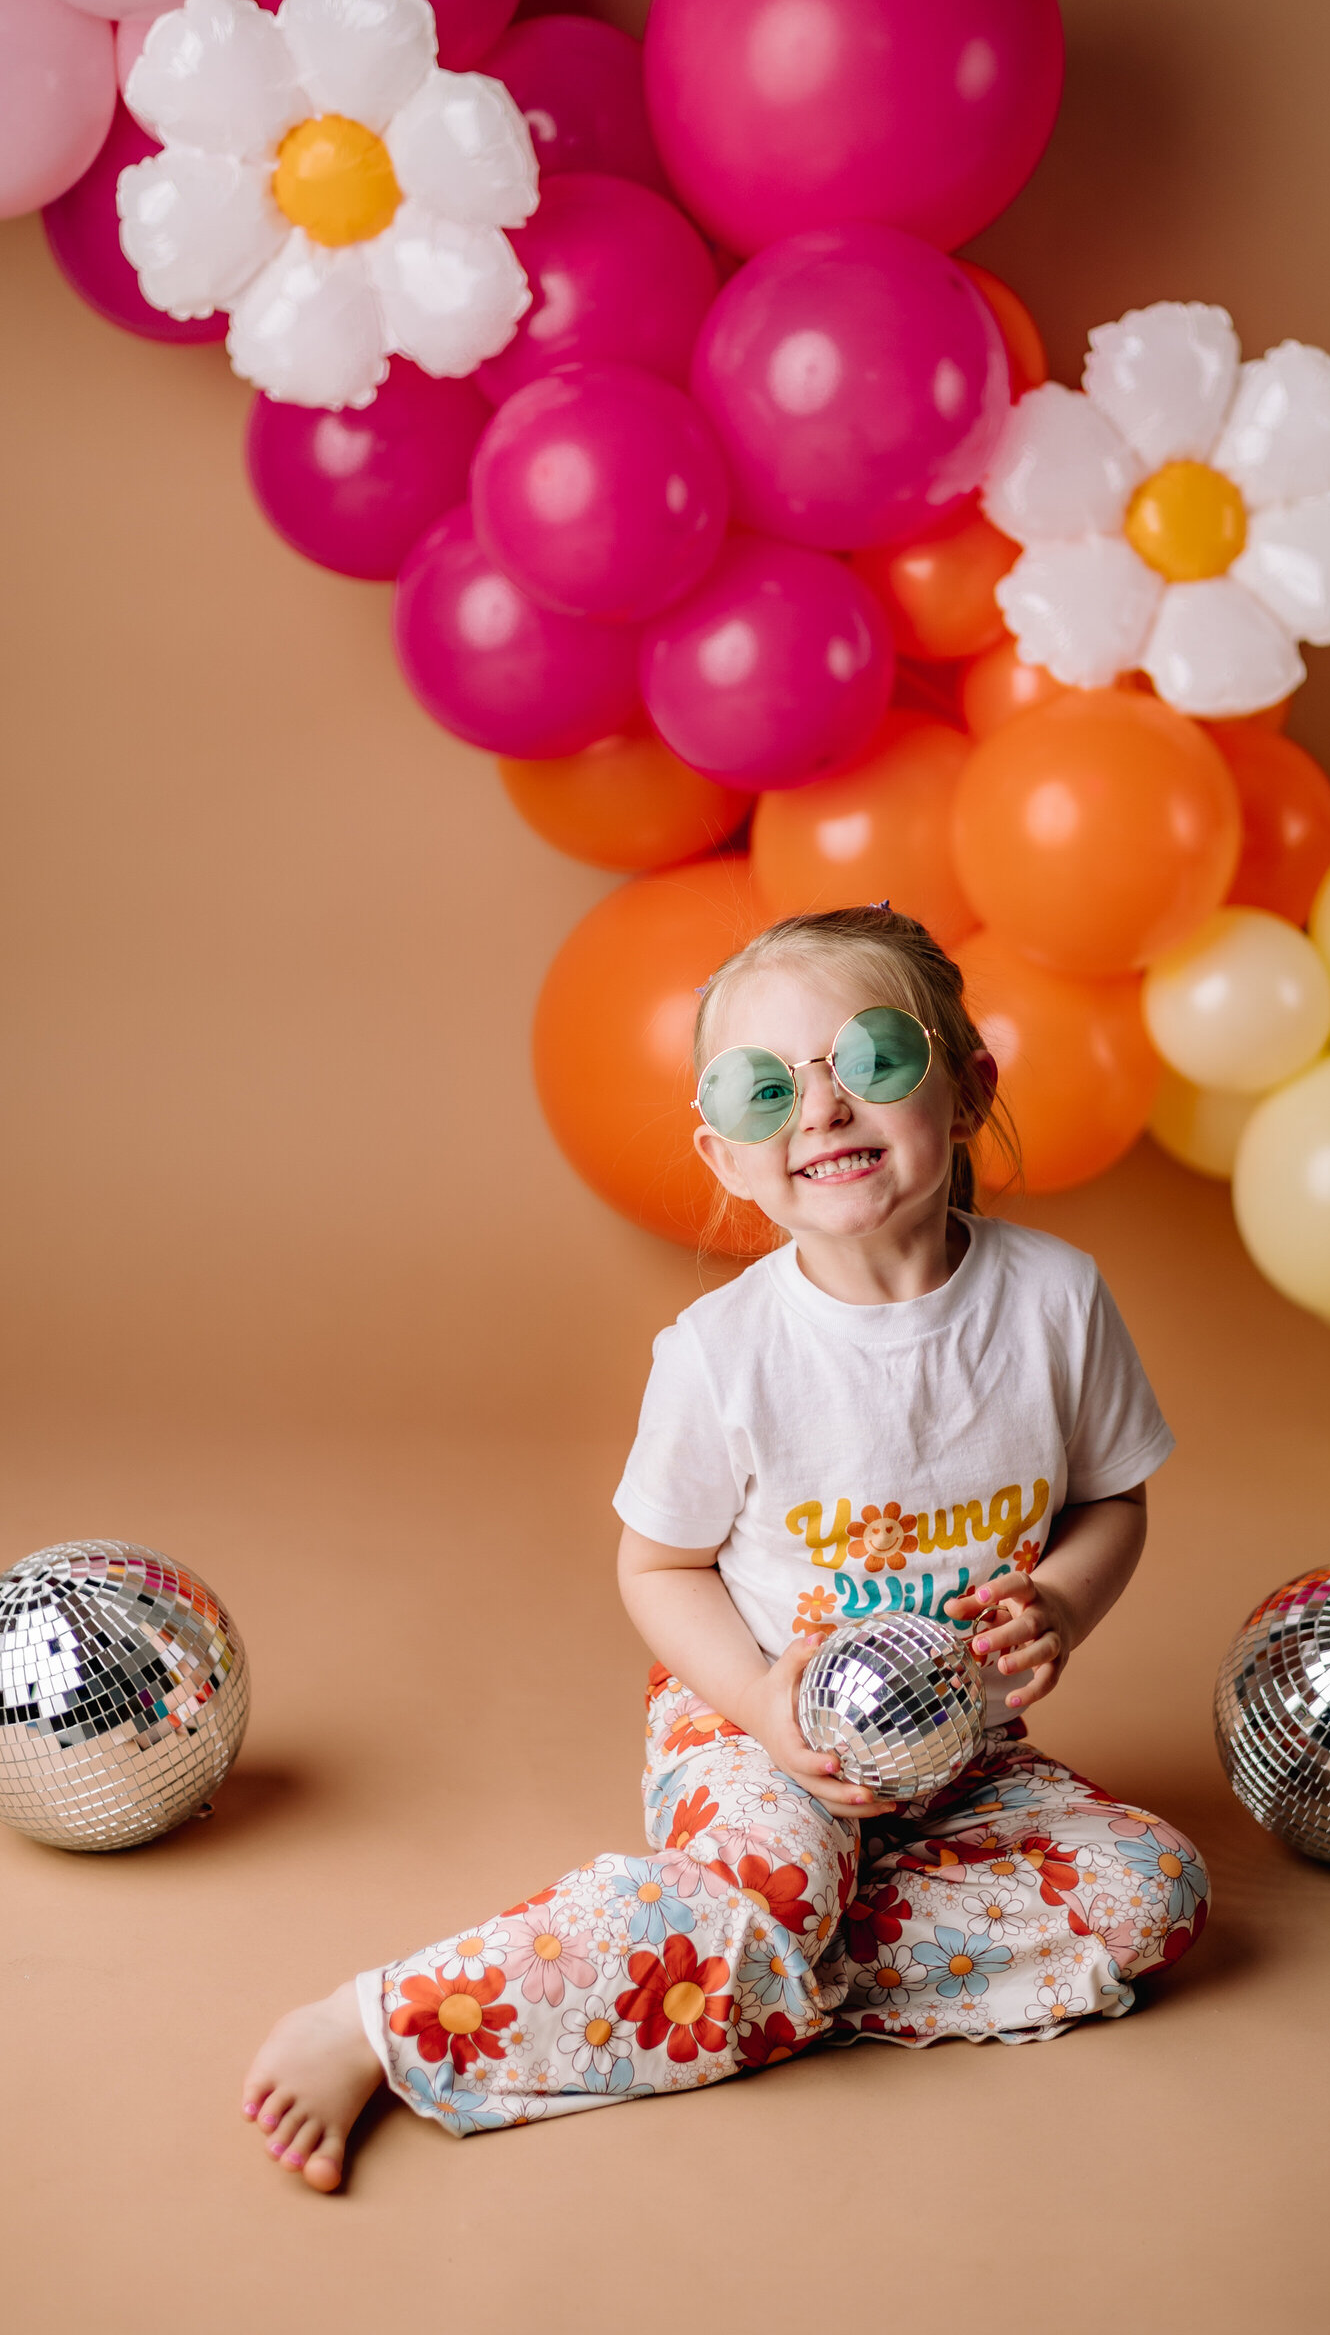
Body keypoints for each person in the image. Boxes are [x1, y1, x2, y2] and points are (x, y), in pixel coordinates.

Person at [242, 905, 1208, 2190]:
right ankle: (387, 2020)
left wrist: (1067, 1608)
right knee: (773, 1874)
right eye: (764, 1090)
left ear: (968, 1085)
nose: (819, 1112)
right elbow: (658, 1566)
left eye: (869, 1060)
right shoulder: (721, 1354)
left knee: (1157, 1889)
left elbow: (1112, 1504)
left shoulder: (1054, 1304)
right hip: (756, 1727)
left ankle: (738, 1966)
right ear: (727, 1154)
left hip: (965, 1748)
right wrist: (758, 1706)